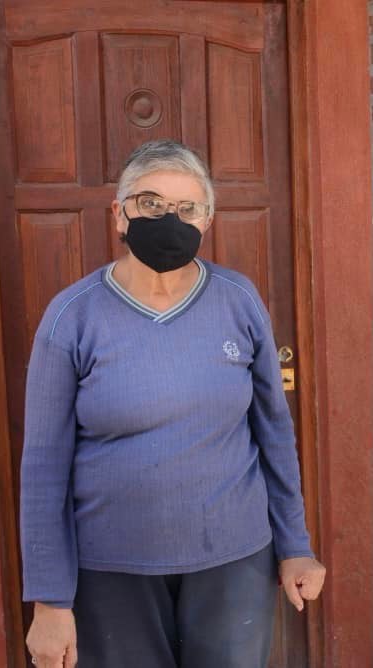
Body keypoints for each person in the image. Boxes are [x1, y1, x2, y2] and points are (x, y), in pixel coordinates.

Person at [20, 139, 326, 668]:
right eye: (151, 203)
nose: (170, 219)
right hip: (111, 572)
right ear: (120, 214)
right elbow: (44, 465)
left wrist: (295, 544)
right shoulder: (72, 317)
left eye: (187, 208)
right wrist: (50, 601)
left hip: (234, 563)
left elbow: (274, 433)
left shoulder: (238, 300)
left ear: (207, 220)